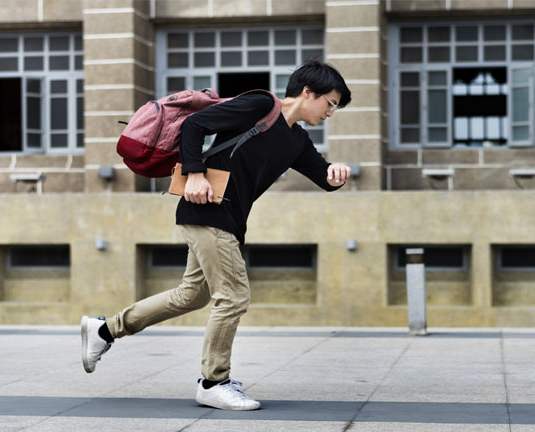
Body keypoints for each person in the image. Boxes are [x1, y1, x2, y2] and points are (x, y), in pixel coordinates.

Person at [81, 60, 352, 411]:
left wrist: (337, 173)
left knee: (190, 296)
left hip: (226, 219)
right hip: (208, 209)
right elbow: (195, 124)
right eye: (330, 103)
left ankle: (104, 330)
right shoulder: (261, 106)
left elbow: (324, 177)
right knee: (234, 297)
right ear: (307, 92)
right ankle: (213, 381)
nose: (331, 112)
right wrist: (194, 173)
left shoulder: (297, 140)